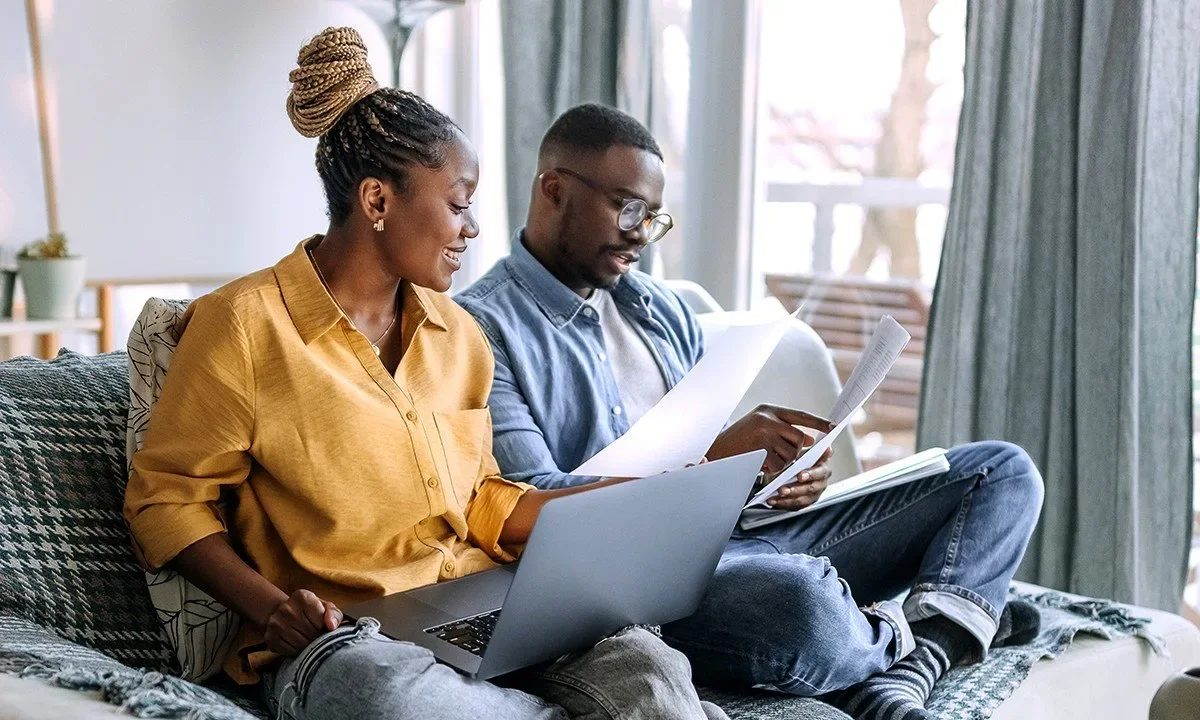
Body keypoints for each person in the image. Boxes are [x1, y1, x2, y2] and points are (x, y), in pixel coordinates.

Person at [124, 31, 727, 720]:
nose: (472, 229)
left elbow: (478, 499)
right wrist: (275, 607)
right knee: (388, 697)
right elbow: (165, 503)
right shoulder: (244, 326)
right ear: (378, 201)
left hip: (478, 600)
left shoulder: (459, 335)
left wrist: (623, 506)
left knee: (643, 662)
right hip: (345, 637)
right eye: (459, 203)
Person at [455, 103, 1045, 720]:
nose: (640, 234)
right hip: (640, 587)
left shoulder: (658, 309)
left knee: (1000, 471)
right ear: (553, 189)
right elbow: (532, 509)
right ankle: (932, 631)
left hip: (746, 538)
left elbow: (711, 466)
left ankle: (904, 661)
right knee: (800, 606)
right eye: (628, 208)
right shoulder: (481, 331)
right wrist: (712, 462)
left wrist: (773, 478)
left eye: (654, 218)